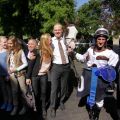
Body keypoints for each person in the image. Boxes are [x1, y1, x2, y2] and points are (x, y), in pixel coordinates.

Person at [74, 27, 119, 120]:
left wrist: (103, 70)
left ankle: (96, 115)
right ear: (96, 39)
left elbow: (112, 68)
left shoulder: (111, 53)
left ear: (106, 40)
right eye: (99, 39)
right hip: (89, 76)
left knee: (99, 99)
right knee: (90, 97)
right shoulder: (90, 50)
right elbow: (83, 58)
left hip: (101, 79)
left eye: (103, 39)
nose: (101, 41)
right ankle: (90, 110)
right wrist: (73, 53)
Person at [26, 33, 53, 119]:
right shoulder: (37, 51)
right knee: (36, 93)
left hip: (44, 75)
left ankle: (43, 108)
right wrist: (27, 77)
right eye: (49, 39)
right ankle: (37, 107)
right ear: (45, 41)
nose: (51, 40)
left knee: (44, 92)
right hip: (35, 76)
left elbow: (50, 63)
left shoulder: (50, 49)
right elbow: (30, 65)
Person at [50, 23, 71, 118]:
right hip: (55, 67)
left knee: (64, 86)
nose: (57, 31)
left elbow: (70, 52)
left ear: (62, 30)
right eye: (55, 30)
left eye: (59, 29)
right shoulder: (50, 41)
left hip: (66, 66)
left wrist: (71, 51)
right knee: (54, 88)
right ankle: (53, 107)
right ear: (53, 31)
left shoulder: (66, 40)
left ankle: (61, 101)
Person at [7, 36, 28, 115]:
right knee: (14, 91)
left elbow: (25, 64)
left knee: (23, 90)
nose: (9, 45)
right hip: (12, 75)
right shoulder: (9, 51)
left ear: (15, 43)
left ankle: (25, 106)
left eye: (11, 43)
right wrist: (8, 72)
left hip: (20, 74)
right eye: (8, 43)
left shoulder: (20, 51)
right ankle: (16, 106)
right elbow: (8, 63)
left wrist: (16, 69)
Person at [0, 36, 13, 112]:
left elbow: (10, 64)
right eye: (4, 42)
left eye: (6, 42)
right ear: (0, 42)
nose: (5, 43)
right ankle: (5, 102)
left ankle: (10, 103)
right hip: (0, 74)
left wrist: (8, 74)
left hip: (6, 74)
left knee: (8, 90)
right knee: (3, 89)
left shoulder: (8, 51)